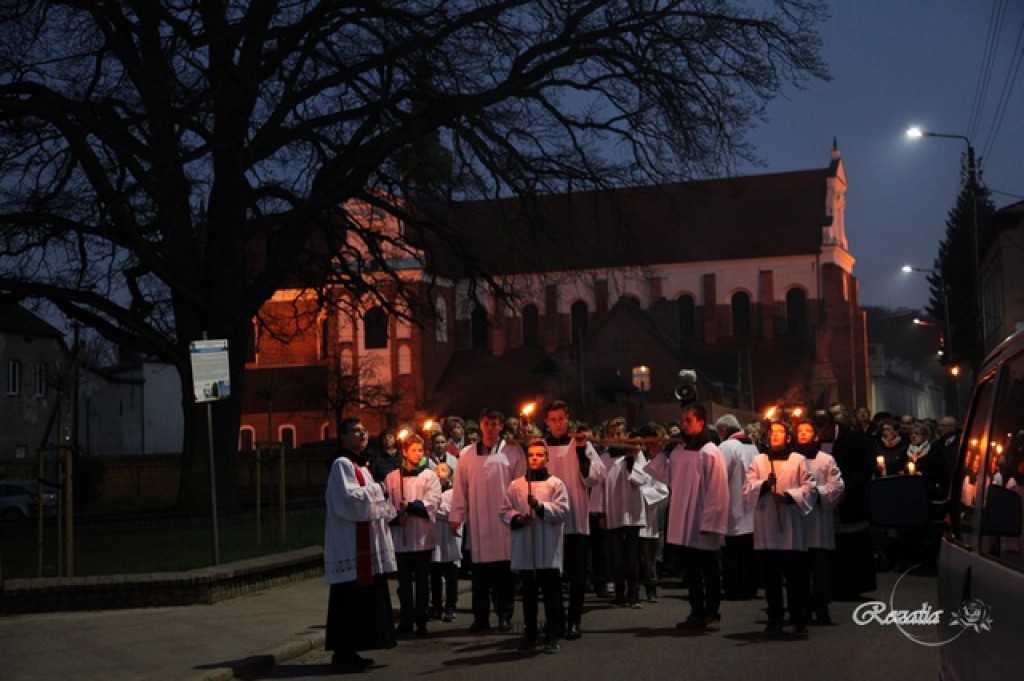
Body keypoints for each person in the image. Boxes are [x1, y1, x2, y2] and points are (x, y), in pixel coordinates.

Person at [645, 403, 729, 632]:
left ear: (701, 422)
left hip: (703, 519)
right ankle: (696, 611)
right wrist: (656, 454)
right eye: (682, 420)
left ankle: (712, 614)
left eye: (688, 420)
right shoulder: (680, 450)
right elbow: (671, 478)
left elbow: (718, 490)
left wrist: (711, 522)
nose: (683, 424)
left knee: (710, 571)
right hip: (685, 520)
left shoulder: (711, 452)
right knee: (691, 571)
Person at [324, 418, 398, 672]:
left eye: (365, 430)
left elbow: (370, 498)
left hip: (363, 543)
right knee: (349, 600)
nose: (364, 433)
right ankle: (342, 653)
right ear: (344, 437)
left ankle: (352, 650)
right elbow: (349, 499)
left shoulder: (361, 465)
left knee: (361, 600)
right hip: (350, 544)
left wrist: (381, 494)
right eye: (357, 430)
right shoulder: (341, 465)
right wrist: (380, 490)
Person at [449, 407, 526, 632]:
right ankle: (480, 617)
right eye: (487, 423)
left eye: (495, 424)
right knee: (480, 576)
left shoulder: (513, 452)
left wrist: (520, 515)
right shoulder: (466, 454)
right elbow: (459, 489)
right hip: (479, 521)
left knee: (504, 575)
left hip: (504, 522)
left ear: (501, 426)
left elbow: (520, 485)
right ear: (481, 425)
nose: (491, 428)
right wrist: (457, 517)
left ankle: (504, 615)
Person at [743, 419, 816, 637]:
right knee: (771, 580)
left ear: (788, 437)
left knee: (796, 579)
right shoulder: (759, 460)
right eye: (772, 432)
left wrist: (788, 496)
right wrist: (764, 485)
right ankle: (774, 618)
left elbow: (810, 488)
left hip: (791, 527)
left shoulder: (798, 460)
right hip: (767, 526)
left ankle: (798, 619)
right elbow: (746, 489)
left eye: (779, 432)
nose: (774, 435)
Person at [541, 400, 606, 639]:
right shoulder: (541, 447)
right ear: (546, 422)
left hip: (576, 515)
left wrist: (581, 452)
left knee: (578, 574)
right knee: (552, 575)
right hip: (550, 519)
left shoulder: (579, 443)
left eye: (561, 418)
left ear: (567, 419)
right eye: (553, 419)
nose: (558, 424)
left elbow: (597, 475)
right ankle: (555, 619)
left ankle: (574, 621)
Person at [500, 438, 569, 653]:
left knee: (551, 595)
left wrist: (540, 507)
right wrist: (518, 518)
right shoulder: (516, 484)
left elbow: (563, 511)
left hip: (548, 547)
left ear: (547, 458)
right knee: (528, 596)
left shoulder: (555, 483)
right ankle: (530, 635)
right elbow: (504, 510)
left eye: (539, 455)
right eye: (531, 455)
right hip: (527, 548)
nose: (535, 458)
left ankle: (552, 635)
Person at [815, 409, 877, 599]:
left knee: (851, 546)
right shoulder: (814, 443)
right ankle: (830, 585)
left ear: (830, 425)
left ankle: (852, 586)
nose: (820, 434)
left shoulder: (851, 439)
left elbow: (866, 466)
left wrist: (846, 488)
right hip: (822, 500)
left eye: (822, 429)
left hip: (849, 500)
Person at [385, 434, 442, 636]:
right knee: (404, 582)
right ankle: (406, 618)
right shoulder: (393, 478)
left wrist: (410, 506)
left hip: (422, 537)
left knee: (422, 581)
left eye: (421, 450)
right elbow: (387, 505)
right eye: (414, 450)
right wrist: (395, 516)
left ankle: (422, 619)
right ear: (405, 452)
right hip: (401, 537)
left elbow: (434, 502)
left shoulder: (429, 476)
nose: (418, 454)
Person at [592, 426, 649, 609]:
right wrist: (600, 513)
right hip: (612, 513)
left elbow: (640, 480)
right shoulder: (603, 459)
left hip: (631, 513)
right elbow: (598, 488)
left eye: (619, 434)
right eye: (612, 434)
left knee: (631, 557)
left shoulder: (635, 455)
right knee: (615, 556)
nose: (615, 437)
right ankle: (619, 593)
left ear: (625, 435)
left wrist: (631, 462)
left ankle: (633, 594)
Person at [795, 419, 844, 625]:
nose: (804, 434)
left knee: (820, 567)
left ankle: (822, 607)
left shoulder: (826, 459)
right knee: (800, 570)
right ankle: (802, 608)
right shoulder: (792, 459)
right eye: (800, 431)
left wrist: (818, 493)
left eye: (808, 430)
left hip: (819, 519)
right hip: (797, 519)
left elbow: (837, 485)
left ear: (815, 435)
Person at [716, 414, 759, 601]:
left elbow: (719, 474)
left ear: (724, 431)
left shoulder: (726, 447)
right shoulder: (753, 446)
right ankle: (750, 587)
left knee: (733, 553)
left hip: (734, 506)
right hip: (752, 507)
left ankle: (735, 588)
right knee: (748, 553)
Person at [635, 423, 671, 603]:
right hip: (632, 512)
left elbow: (663, 489)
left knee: (650, 557)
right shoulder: (636, 458)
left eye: (653, 443)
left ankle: (651, 588)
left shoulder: (663, 461)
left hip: (649, 513)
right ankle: (631, 592)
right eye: (647, 443)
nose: (650, 447)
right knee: (633, 556)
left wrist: (640, 494)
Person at [430, 462, 461, 622]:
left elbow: (452, 512)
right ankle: (436, 606)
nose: (439, 472)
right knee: (435, 575)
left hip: (448, 536)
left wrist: (432, 509)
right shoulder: (429, 490)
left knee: (451, 574)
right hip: (434, 535)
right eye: (436, 469)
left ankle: (451, 605)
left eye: (443, 470)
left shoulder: (454, 492)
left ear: (450, 476)